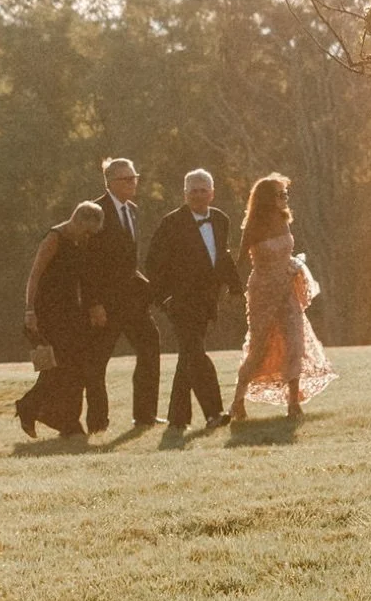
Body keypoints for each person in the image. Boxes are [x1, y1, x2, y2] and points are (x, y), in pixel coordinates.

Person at [229, 171, 333, 423]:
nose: (285, 198)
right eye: (280, 194)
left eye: (285, 193)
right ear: (267, 198)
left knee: (294, 340)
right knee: (260, 344)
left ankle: (293, 402)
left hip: (287, 288)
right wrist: (229, 288)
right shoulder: (255, 225)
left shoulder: (283, 218)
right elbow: (241, 260)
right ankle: (237, 401)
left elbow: (287, 252)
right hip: (263, 290)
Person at [144, 170, 242, 435]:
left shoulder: (221, 219)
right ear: (185, 194)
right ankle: (213, 413)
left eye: (203, 190)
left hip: (207, 301)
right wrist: (164, 297)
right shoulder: (171, 223)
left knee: (188, 355)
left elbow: (222, 255)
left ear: (212, 192)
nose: (199, 195)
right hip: (180, 303)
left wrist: (235, 286)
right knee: (196, 353)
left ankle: (177, 418)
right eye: (193, 190)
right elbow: (153, 264)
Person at [83, 156, 162, 432]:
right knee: (96, 363)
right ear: (111, 182)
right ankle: (97, 422)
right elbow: (88, 263)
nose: (133, 183)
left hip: (133, 302)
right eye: (127, 179)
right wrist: (94, 304)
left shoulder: (133, 211)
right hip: (105, 304)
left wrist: (147, 286)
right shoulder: (96, 211)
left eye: (135, 178)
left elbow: (129, 261)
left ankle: (145, 416)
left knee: (150, 347)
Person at [17, 202, 107, 442]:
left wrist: (93, 306)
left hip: (71, 311)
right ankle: (32, 407)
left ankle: (65, 421)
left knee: (76, 368)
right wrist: (29, 311)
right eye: (87, 231)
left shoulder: (81, 240)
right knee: (57, 367)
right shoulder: (54, 238)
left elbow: (85, 277)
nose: (89, 236)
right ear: (77, 221)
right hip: (47, 312)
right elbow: (34, 276)